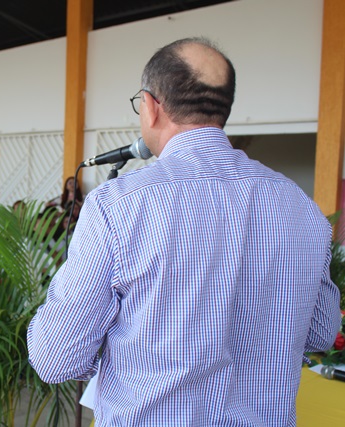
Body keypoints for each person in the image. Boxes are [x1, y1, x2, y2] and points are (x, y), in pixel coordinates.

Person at [27, 37, 342, 425]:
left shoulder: (120, 205)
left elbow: (56, 357)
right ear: (222, 108)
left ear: (151, 106)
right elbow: (321, 333)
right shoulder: (302, 208)